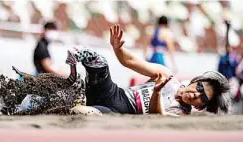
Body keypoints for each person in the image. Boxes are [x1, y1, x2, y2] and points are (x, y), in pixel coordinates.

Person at [66, 25, 231, 116]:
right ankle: (77, 82)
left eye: (202, 97)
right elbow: (131, 61)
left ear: (202, 106)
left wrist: (157, 92)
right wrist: (117, 49)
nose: (196, 94)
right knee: (98, 61)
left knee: (79, 112)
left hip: (120, 112)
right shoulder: (167, 75)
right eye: (200, 88)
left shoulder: (181, 115)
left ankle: (78, 104)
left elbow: (156, 117)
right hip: (114, 93)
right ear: (196, 81)